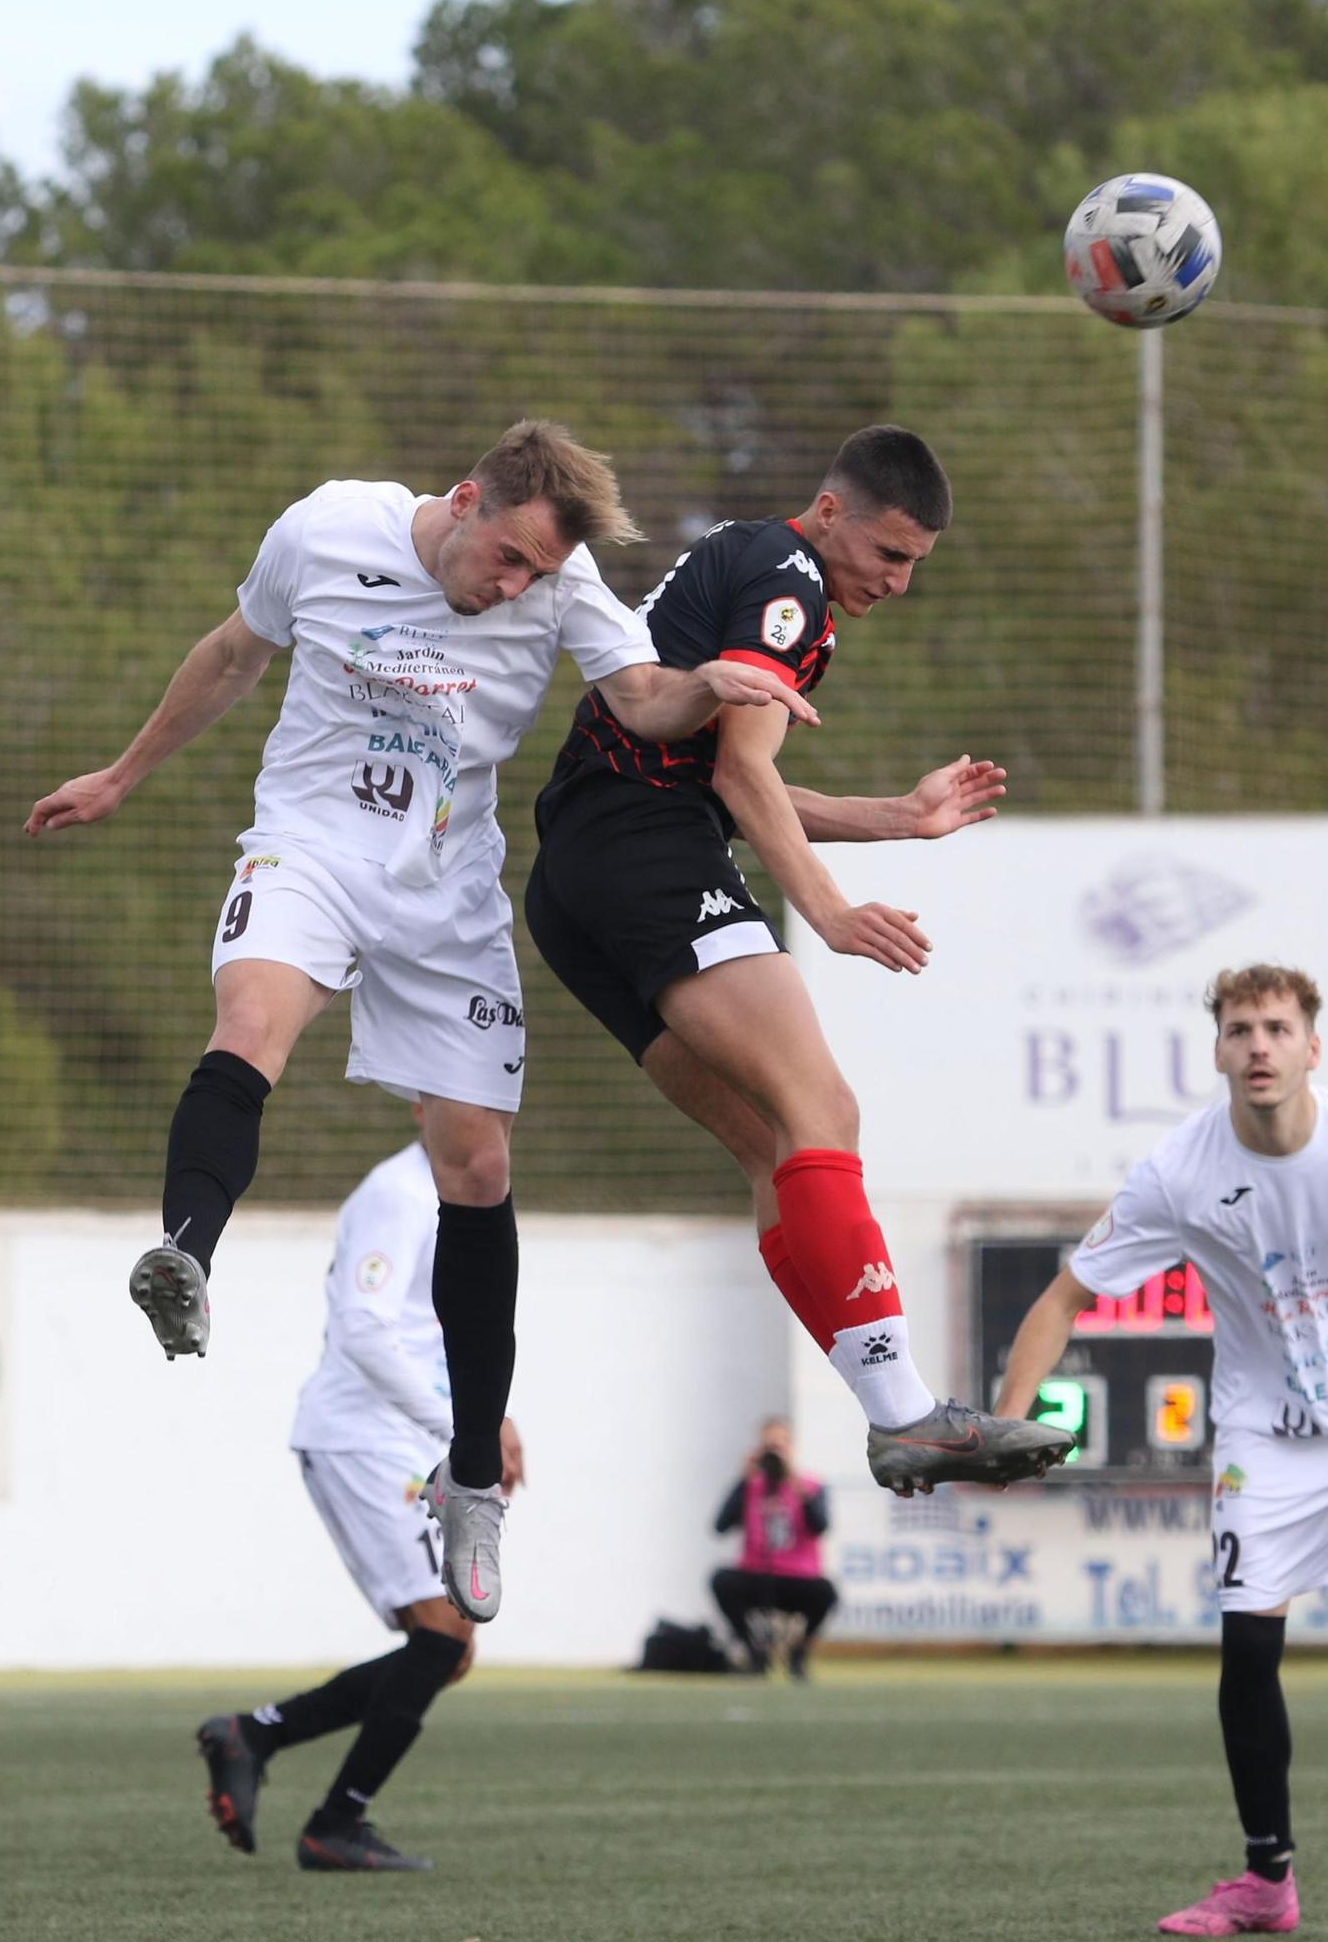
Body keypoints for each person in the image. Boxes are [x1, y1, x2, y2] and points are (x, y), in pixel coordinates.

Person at [23, 421, 816, 1623]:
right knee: (250, 1017)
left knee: (477, 1165)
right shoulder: (325, 528)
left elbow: (644, 700)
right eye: (506, 558)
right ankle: (185, 1251)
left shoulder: (561, 587)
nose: (515, 586)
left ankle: (469, 1480)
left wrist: (712, 682)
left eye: (537, 572)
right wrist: (121, 774)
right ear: (463, 500)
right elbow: (233, 653)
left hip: (444, 888)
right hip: (312, 845)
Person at [524, 422, 1073, 1498]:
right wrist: (825, 908)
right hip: (645, 849)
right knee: (823, 1109)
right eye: (889, 553)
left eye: (915, 563)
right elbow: (738, 777)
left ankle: (895, 1410)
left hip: (576, 880)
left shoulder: (751, 561)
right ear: (829, 514)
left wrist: (899, 817)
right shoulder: (792, 580)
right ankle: (905, 1412)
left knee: (770, 1141)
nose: (898, 582)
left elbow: (723, 773)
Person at [995, 963, 1327, 1937]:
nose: (1257, 1045)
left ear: (1312, 1046)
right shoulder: (1180, 1171)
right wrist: (1004, 1422)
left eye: (1276, 1027)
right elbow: (1064, 1298)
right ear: (1216, 1050)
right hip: (1265, 1438)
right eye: (1239, 1029)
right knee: (1246, 1651)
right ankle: (1265, 1880)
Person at [198, 1112, 523, 1872]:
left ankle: (257, 1735)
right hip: (360, 1439)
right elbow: (364, 1330)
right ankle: (334, 1823)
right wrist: (467, 1430)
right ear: (423, 1105)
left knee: (449, 1647)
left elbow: (440, 1335)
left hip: (403, 1443)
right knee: (444, 1633)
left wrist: (483, 1423)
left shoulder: (465, 1189)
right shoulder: (399, 1193)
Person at [711, 1418, 838, 1678]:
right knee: (721, 1581)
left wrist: (795, 1482)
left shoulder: (811, 1485)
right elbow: (720, 1526)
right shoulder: (750, 1486)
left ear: (791, 1447)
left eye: (779, 1446)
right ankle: (754, 1651)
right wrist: (743, 1480)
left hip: (797, 1577)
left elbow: (821, 1526)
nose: (774, 1453)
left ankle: (798, 1653)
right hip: (756, 1573)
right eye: (768, 1446)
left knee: (826, 1592)